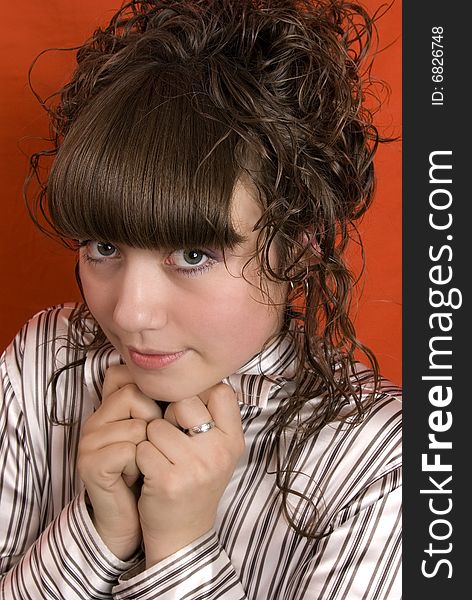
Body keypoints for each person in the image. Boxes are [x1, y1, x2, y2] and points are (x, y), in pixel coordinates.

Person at [0, 0, 401, 597]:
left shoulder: (387, 469)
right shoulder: (45, 361)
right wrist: (97, 532)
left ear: (299, 246)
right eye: (103, 246)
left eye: (193, 255)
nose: (129, 313)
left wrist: (181, 553)